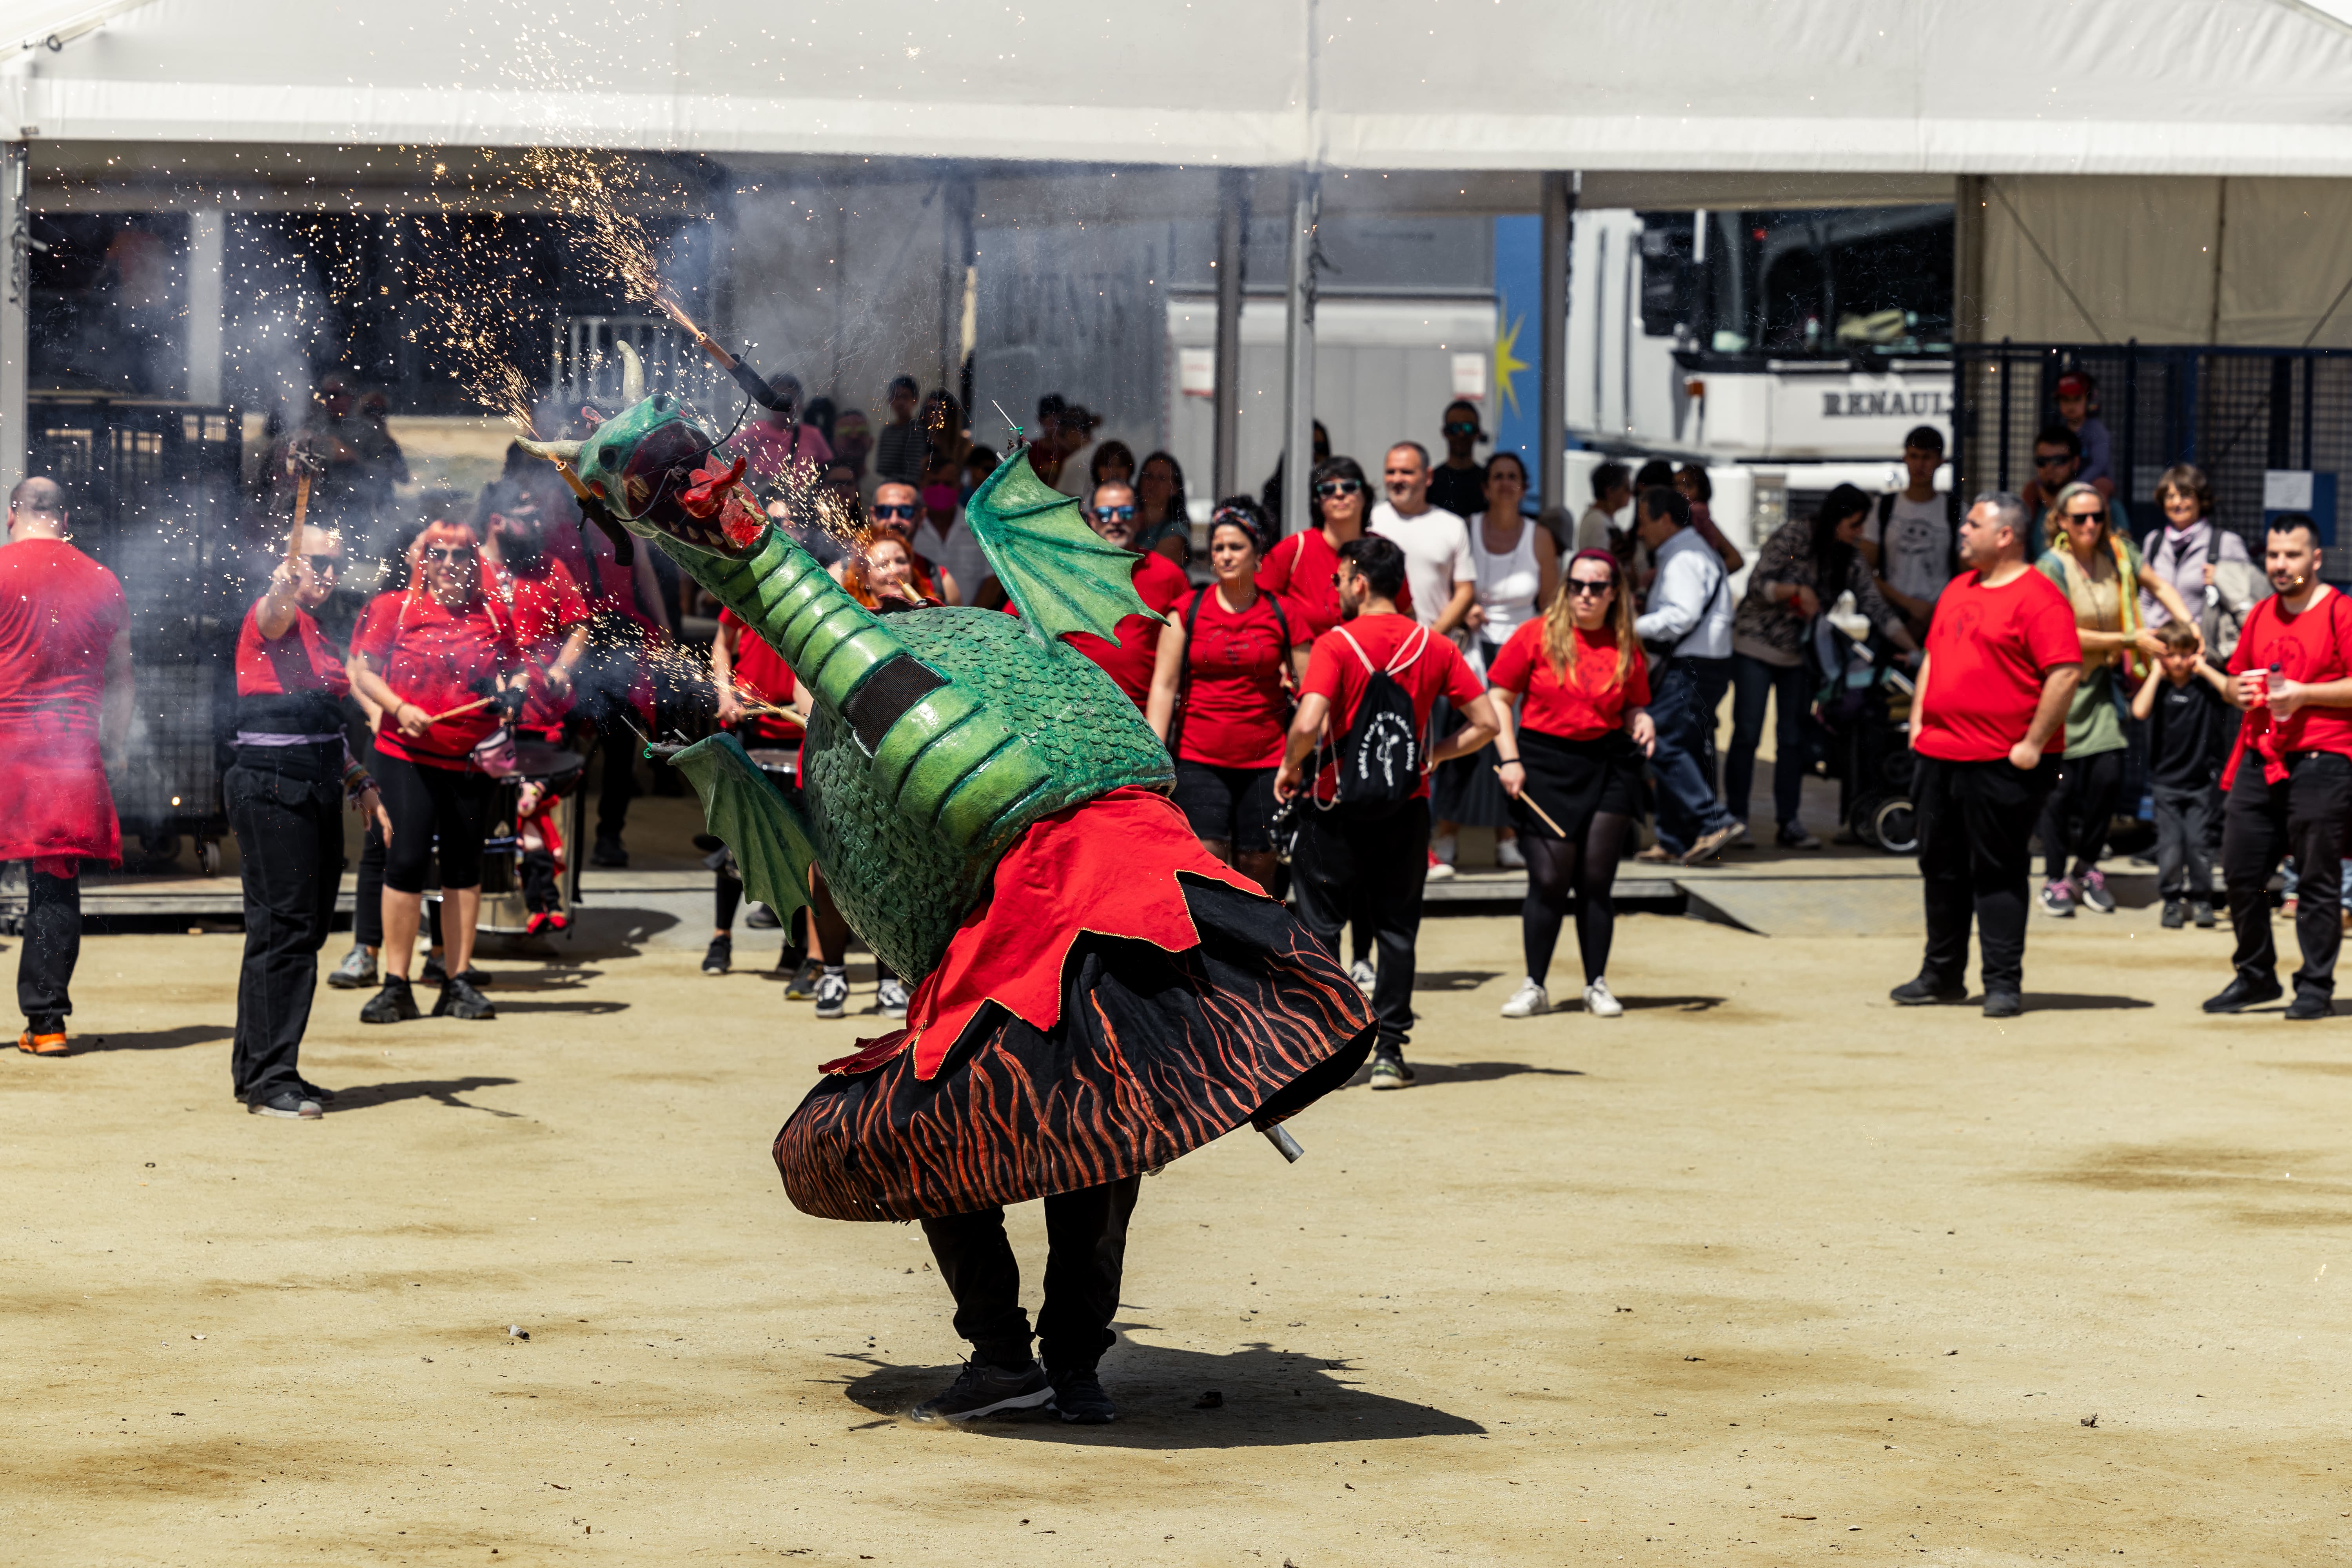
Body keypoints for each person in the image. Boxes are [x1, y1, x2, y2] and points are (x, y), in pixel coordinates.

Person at [1276, 534, 1500, 1090]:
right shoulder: (1435, 646)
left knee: (1323, 926)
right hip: (1408, 803)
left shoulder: (1335, 644)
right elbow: (1488, 723)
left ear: (1358, 582)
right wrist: (1436, 754)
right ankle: (1390, 1054)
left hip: (1336, 805)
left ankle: (1326, 1049)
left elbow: (1308, 724)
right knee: (1397, 930)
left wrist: (1290, 765)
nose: (1337, 590)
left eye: (1339, 581)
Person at [1893, 492, 2082, 1018]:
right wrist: (1917, 723)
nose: (1962, 532)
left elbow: (2065, 673)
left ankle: (2002, 983)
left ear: (2006, 536)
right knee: (1940, 866)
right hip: (1939, 755)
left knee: (1997, 869)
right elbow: (1934, 657)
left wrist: (2033, 744)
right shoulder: (1958, 589)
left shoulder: (2040, 598)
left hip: (2002, 761)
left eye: (1973, 525)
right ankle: (1942, 974)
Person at [227, 526, 391, 1116]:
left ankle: (260, 1068)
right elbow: (272, 614)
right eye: (313, 563)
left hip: (315, 785)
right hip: (275, 788)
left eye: (333, 565)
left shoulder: (319, 632)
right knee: (287, 929)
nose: (325, 574)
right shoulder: (274, 613)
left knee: (302, 929)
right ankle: (273, 1078)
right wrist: (281, 590)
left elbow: (326, 727)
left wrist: (360, 782)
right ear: (288, 563)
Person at [346, 521, 522, 1025]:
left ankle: (458, 979)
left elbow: (517, 666)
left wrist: (517, 689)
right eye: (439, 554)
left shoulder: (493, 612)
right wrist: (399, 709)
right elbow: (362, 671)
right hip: (404, 756)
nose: (449, 564)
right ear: (422, 558)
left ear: (475, 560)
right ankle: (396, 984)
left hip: (470, 758)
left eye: (460, 555)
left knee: (465, 870)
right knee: (404, 863)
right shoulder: (392, 608)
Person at [1490, 546, 1655, 1019]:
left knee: (1596, 879)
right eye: (1577, 585)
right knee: (1548, 878)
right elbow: (1498, 698)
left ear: (1614, 592)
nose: (1586, 594)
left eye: (1597, 587)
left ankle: (1595, 983)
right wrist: (1511, 760)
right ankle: (1535, 984)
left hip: (1609, 763)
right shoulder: (1535, 634)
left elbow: (1635, 704)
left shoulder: (1625, 641)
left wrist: (1643, 721)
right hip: (1542, 761)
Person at [0, 477, 132, 1057]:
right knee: (54, 886)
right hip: (69, 755)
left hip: (5, 747)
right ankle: (48, 1023)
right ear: (65, 518)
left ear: (13, 515)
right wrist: (119, 747)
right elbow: (124, 677)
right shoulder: (103, 580)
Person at [2203, 514, 2352, 1019]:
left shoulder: (2340, 611)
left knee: (2316, 879)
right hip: (2259, 754)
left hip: (2324, 758)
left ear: (2316, 558)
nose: (2281, 564)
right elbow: (2232, 679)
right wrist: (2234, 690)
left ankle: (2315, 987)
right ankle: (2255, 975)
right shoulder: (2263, 612)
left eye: (2292, 554)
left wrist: (2306, 694)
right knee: (2242, 872)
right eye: (2273, 555)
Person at [2033, 481, 2196, 917]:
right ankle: (2053, 879)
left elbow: (2158, 585)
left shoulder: (2119, 557)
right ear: (2062, 521)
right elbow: (2059, 633)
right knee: (2060, 793)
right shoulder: (2052, 566)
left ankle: (2086, 868)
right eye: (2080, 517)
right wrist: (2129, 638)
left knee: (2106, 782)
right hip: (2062, 689)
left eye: (2098, 516)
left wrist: (2188, 626)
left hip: (2102, 690)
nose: (2090, 524)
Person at [1727, 485, 1916, 850]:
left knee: (1793, 739)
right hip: (1756, 646)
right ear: (1836, 517)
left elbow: (1877, 608)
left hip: (1800, 657)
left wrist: (1914, 649)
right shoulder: (1797, 536)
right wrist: (1792, 594)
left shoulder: (1850, 557)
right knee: (1747, 734)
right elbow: (1757, 585)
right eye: (1855, 523)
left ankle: (1789, 822)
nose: (1860, 531)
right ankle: (1737, 818)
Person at [1145, 499, 1293, 894]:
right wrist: (1156, 758)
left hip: (1266, 760)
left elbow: (1309, 687)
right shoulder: (1186, 610)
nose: (1225, 556)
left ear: (1258, 553)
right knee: (1206, 858)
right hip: (1199, 757)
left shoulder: (1283, 613)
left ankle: (1260, 950)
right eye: (1219, 548)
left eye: (1236, 547)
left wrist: (1297, 759)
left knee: (1257, 861)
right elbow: (1164, 685)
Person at [1436, 451, 1557, 871]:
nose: (1505, 484)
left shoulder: (1539, 537)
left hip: (1521, 654)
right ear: (1485, 487)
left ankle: (1508, 837)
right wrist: (1464, 609)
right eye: (1498, 477)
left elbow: (1551, 606)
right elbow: (1452, 587)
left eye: (1513, 477)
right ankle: (1446, 834)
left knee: (1512, 746)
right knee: (1467, 743)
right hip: (1471, 651)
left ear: (1523, 487)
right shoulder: (1466, 529)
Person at [1631, 486, 1744, 865]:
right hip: (1704, 665)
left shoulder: (1684, 558)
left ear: (1665, 520)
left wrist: (1632, 627)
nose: (1640, 531)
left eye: (1644, 521)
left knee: (1660, 741)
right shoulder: (1693, 553)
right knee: (1687, 747)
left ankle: (1713, 821)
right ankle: (1675, 839)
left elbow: (1681, 615)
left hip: (1692, 667)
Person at [1042, 481, 1192, 709]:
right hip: (1073, 712)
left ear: (1139, 519)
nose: (1115, 521)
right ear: (1091, 521)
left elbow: (1191, 649)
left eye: (1125, 512)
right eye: (1104, 514)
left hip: (1142, 718)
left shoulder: (1169, 576)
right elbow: (1016, 625)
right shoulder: (1065, 571)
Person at [2131, 620, 2231, 931]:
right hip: (2166, 784)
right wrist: (2155, 673)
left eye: (2185, 654)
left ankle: (2202, 899)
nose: (2178, 662)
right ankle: (2172, 900)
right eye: (2171, 655)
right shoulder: (2158, 688)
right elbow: (2139, 711)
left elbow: (2231, 693)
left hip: (2201, 782)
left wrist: (2203, 668)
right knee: (2171, 847)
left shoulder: (2205, 688)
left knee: (2200, 845)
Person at [2139, 462, 2260, 659]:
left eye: (2186, 495)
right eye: (2170, 496)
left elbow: (2246, 598)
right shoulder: (2154, 542)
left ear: (2201, 500)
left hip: (2202, 654)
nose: (2177, 503)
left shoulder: (2226, 543)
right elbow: (2145, 598)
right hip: (2160, 655)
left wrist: (2222, 579)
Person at [1258, 455, 1370, 646]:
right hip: (1307, 670)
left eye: (1350, 487)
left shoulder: (1380, 550)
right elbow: (1257, 608)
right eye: (1328, 490)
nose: (1340, 494)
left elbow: (1405, 612)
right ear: (1318, 501)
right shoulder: (1294, 548)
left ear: (1366, 495)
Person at [1860, 425, 1956, 637]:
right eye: (1914, 456)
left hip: (1941, 620)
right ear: (1905, 458)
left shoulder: (1955, 512)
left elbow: (1967, 574)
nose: (1919, 465)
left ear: (1940, 461)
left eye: (1927, 457)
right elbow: (1865, 570)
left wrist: (1933, 611)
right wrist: (1908, 605)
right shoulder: (1884, 507)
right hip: (1893, 619)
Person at [1258, 419, 1331, 532]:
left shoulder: (1334, 490)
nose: (1313, 454)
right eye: (1307, 448)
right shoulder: (1274, 490)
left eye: (1319, 447)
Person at [1427, 400, 1490, 519]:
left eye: (1468, 428)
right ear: (1444, 433)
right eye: (1454, 428)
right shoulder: (1429, 483)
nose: (1461, 434)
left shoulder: (1489, 483)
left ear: (1478, 432)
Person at [2055, 372, 2114, 497]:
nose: (2071, 406)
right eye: (2065, 399)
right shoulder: (2059, 429)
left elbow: (2098, 465)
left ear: (2089, 401)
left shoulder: (2097, 430)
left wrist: (2075, 486)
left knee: (2103, 485)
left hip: (2094, 482)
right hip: (2067, 482)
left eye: (2077, 399)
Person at [1133, 450, 1191, 568]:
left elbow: (1149, 570)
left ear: (1175, 488)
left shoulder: (1175, 533)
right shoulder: (1129, 523)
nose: (1153, 484)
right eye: (1149, 477)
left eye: (1162, 478)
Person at [873, 374, 924, 486]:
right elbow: (881, 468)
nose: (901, 402)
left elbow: (913, 471)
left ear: (915, 400)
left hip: (908, 489)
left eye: (906, 397)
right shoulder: (886, 431)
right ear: (890, 400)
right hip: (887, 487)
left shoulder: (916, 429)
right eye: (897, 397)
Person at [1575, 462, 1633, 556]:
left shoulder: (1599, 519)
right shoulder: (1598, 522)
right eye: (1627, 488)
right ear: (1610, 492)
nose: (1631, 493)